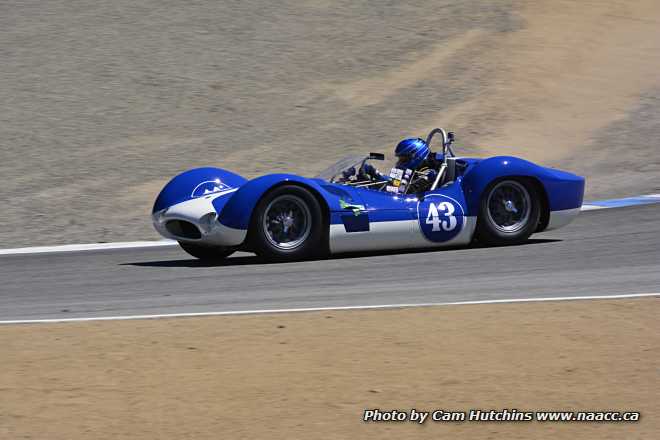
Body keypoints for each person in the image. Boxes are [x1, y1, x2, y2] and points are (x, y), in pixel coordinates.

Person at [341, 137, 439, 193]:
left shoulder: (428, 174)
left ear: (415, 156)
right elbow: (395, 183)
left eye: (403, 159)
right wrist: (375, 173)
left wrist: (371, 185)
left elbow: (402, 191)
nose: (399, 162)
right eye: (399, 158)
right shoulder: (411, 171)